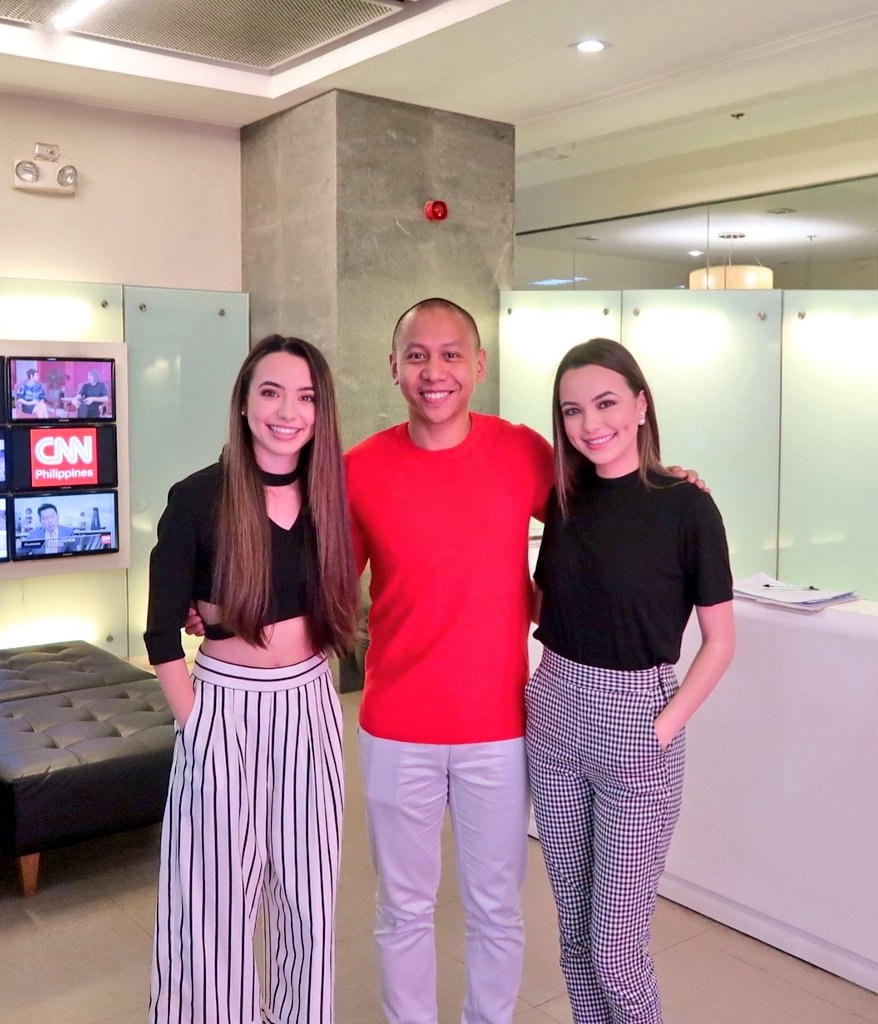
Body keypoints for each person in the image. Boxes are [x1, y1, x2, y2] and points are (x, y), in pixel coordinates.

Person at [345, 299, 704, 1024]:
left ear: (479, 366)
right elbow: (316, 585)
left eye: (452, 354)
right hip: (395, 724)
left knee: (495, 909)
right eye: (417, 354)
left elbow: (604, 514)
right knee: (403, 909)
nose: (434, 370)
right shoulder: (358, 469)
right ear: (393, 367)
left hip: (502, 726)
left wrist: (666, 491)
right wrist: (220, 612)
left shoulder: (522, 453)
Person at [144, 334, 358, 1024]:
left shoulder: (334, 495)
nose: (286, 411)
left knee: (307, 897)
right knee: (212, 901)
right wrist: (197, 727)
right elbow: (158, 636)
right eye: (270, 392)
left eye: (305, 397)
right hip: (223, 708)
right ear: (242, 404)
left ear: (321, 413)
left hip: (309, 705)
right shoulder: (199, 497)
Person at [526, 338, 735, 1024]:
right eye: (573, 410)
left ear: (642, 405)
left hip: (636, 723)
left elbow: (722, 641)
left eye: (608, 403)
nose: (591, 424)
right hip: (552, 710)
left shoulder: (687, 506)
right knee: (576, 937)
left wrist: (662, 729)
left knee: (617, 948)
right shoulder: (562, 499)